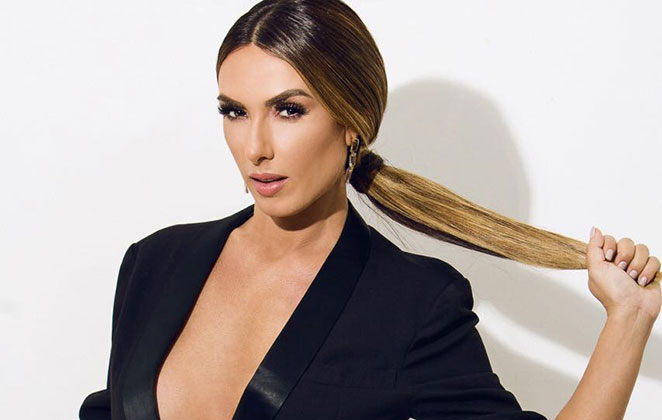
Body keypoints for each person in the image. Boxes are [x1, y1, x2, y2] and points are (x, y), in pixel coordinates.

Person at [79, 1, 661, 419]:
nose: (255, 146)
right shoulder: (154, 263)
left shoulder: (412, 303)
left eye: (288, 110)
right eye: (234, 111)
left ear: (351, 123)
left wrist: (629, 318)